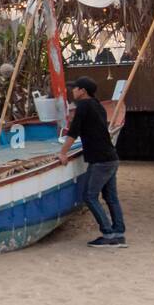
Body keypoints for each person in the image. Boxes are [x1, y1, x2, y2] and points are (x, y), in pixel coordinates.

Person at [59, 76, 126, 248]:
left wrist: (63, 153)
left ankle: (108, 234)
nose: (72, 91)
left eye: (75, 88)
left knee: (89, 196)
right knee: (111, 197)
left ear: (82, 91)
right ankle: (119, 233)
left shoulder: (83, 107)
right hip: (111, 157)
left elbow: (73, 132)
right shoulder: (98, 106)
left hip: (100, 160)